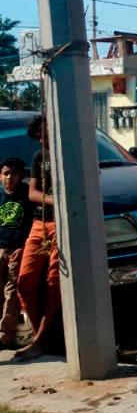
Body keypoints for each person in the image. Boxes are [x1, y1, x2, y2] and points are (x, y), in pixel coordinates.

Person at [15, 116, 62, 361]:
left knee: (54, 283)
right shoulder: (38, 157)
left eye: (46, 134)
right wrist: (54, 201)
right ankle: (39, 336)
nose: (43, 140)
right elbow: (33, 192)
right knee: (25, 281)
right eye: (39, 137)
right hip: (40, 223)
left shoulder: (68, 154)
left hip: (62, 224)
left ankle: (42, 340)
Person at [0, 157, 32, 349]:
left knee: (11, 290)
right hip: (1, 247)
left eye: (14, 174)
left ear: (21, 176)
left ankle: (5, 333)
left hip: (18, 248)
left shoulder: (26, 194)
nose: (9, 177)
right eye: (6, 173)